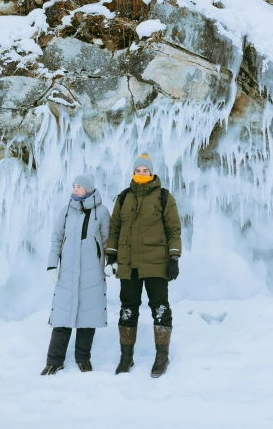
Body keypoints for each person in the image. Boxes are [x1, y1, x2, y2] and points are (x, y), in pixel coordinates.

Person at [106, 153, 182, 378]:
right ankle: (126, 357)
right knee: (128, 308)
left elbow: (174, 229)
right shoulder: (123, 197)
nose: (141, 174)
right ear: (134, 172)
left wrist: (174, 258)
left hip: (156, 264)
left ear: (152, 172)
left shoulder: (163, 197)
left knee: (160, 307)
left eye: (145, 170)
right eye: (138, 170)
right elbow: (114, 229)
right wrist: (111, 256)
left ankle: (162, 356)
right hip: (129, 264)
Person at [41, 173, 110, 375]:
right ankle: (54, 360)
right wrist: (52, 265)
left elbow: (108, 242)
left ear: (88, 189)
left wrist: (111, 263)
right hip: (68, 273)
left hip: (92, 273)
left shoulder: (102, 212)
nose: (75, 189)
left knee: (88, 317)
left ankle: (83, 358)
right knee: (62, 315)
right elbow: (56, 240)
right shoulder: (66, 211)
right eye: (73, 186)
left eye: (79, 186)